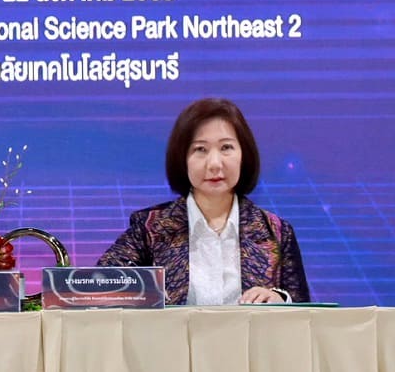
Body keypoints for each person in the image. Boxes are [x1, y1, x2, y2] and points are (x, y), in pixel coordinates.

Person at [97, 97, 310, 305]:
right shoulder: (150, 228)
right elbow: (99, 285)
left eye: (226, 148)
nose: (215, 164)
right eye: (201, 149)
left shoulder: (276, 232)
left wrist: (281, 300)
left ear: (243, 155)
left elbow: (305, 311)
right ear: (183, 159)